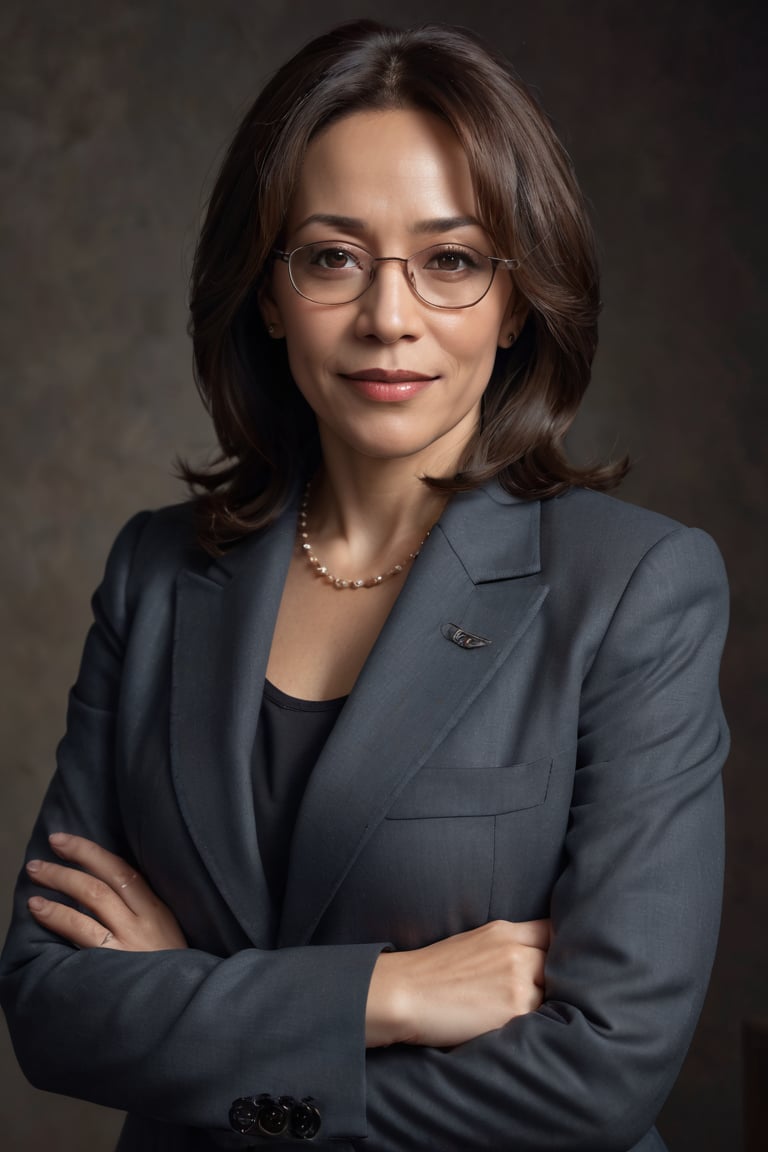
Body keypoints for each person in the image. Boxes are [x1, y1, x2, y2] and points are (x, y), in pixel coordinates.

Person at [0, 19, 729, 1152]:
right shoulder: (154, 573)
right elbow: (50, 1005)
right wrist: (381, 997)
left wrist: (201, 1022)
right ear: (268, 291)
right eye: (333, 256)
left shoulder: (635, 588)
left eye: (451, 260)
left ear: (518, 296)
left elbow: (599, 1074)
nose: (390, 318)